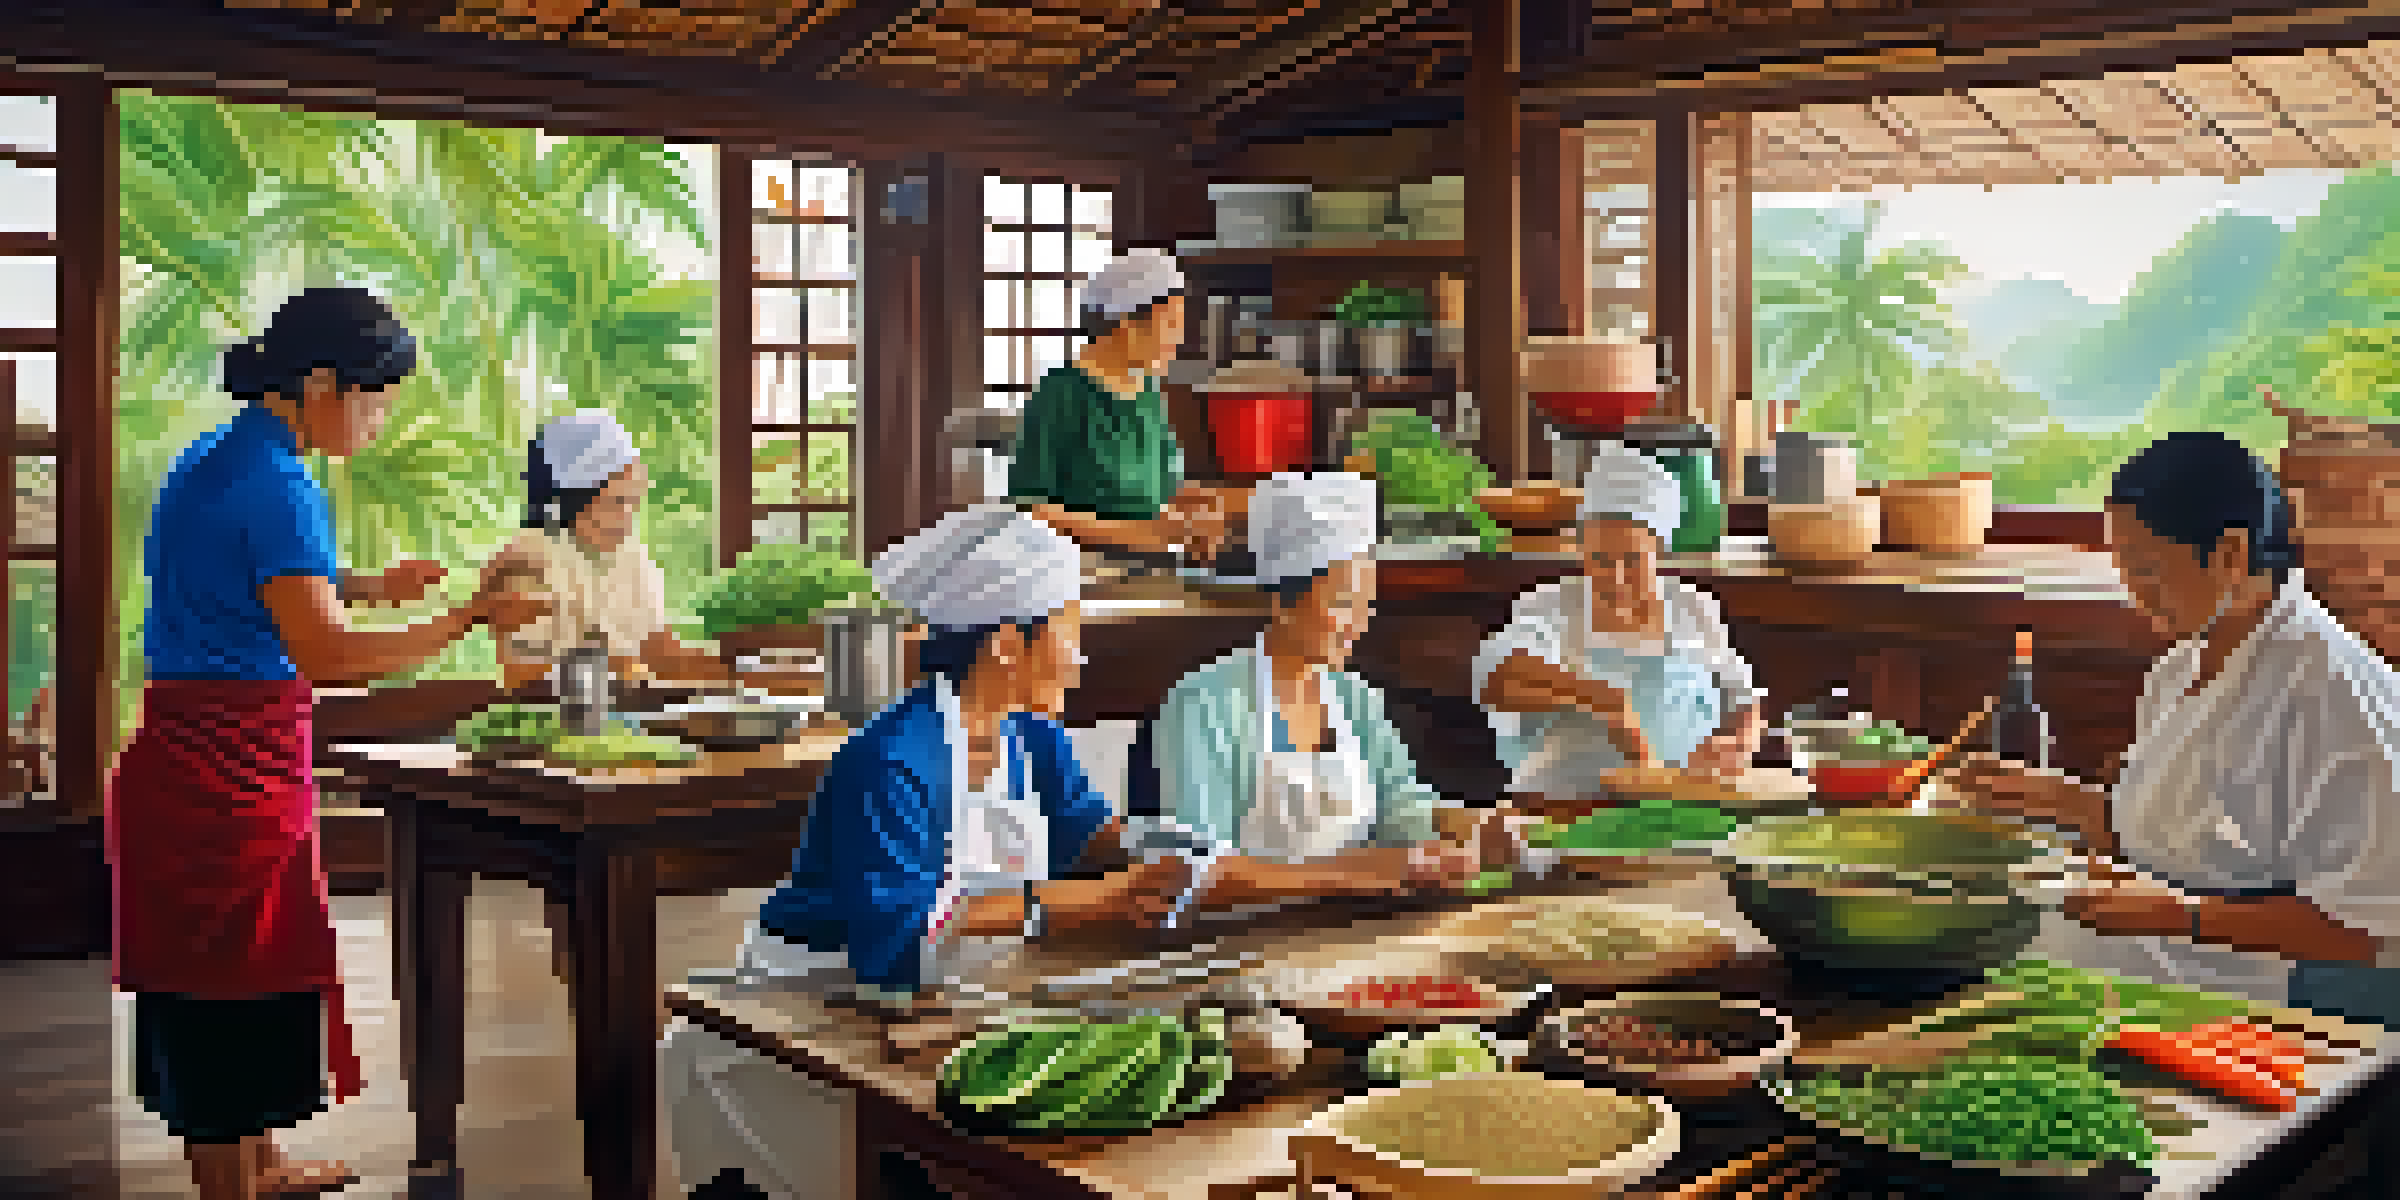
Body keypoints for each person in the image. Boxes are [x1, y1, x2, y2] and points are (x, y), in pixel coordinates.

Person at [106, 287, 548, 1200]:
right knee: (224, 986)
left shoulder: (221, 456)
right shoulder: (281, 485)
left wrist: (370, 584)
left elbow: (255, 578)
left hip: (199, 755)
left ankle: (261, 1167)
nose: (381, 420)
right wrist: (464, 617)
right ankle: (231, 1185)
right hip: (222, 766)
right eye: (374, 399)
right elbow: (329, 654)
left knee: (245, 969)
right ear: (317, 385)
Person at [662, 505, 1201, 1200]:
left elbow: (1087, 834)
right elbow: (898, 944)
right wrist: (1100, 897)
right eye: (1070, 636)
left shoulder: (1031, 740)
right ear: (1008, 643)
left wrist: (1163, 848)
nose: (1080, 658)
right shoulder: (890, 761)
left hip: (942, 1011)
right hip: (802, 1028)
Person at [1943, 432, 2400, 1028]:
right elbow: (2197, 839)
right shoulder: (2182, 667)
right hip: (2167, 943)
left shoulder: (2333, 690)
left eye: (2150, 571)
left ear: (2232, 553)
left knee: (1979, 965)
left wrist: (2176, 915)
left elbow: (2372, 931)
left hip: (2264, 989)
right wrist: (2061, 802)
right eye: (2125, 571)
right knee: (1969, 917)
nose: (2136, 595)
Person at [1150, 472, 1503, 897]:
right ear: (1282, 601)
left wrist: (1474, 824)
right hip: (1241, 941)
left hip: (1351, 928)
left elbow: (1400, 807)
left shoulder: (1355, 698)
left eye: (1366, 604)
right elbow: (1199, 867)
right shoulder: (1205, 704)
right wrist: (1355, 873)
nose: (1360, 622)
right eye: (1341, 604)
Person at [1472, 443, 1764, 800]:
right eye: (1600, 559)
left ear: (1658, 551)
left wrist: (1739, 742)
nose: (1617, 577)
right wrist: (1606, 701)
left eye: (1632, 560)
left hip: (1681, 803)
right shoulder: (1551, 605)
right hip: (1568, 803)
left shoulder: (1694, 607)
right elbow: (1494, 674)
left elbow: (1743, 697)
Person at [484, 409, 732, 692]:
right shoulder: (524, 561)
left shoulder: (628, 555)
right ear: (572, 498)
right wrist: (623, 668)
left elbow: (659, 652)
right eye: (617, 501)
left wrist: (734, 674)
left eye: (633, 500)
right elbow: (525, 677)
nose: (628, 517)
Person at [1009, 247, 1231, 561]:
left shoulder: (1148, 391)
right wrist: (1142, 533)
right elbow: (1030, 509)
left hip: (1150, 567)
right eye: (1171, 324)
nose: (1179, 339)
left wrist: (1192, 504)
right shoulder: (1061, 393)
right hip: (1075, 574)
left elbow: (1156, 489)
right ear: (1127, 326)